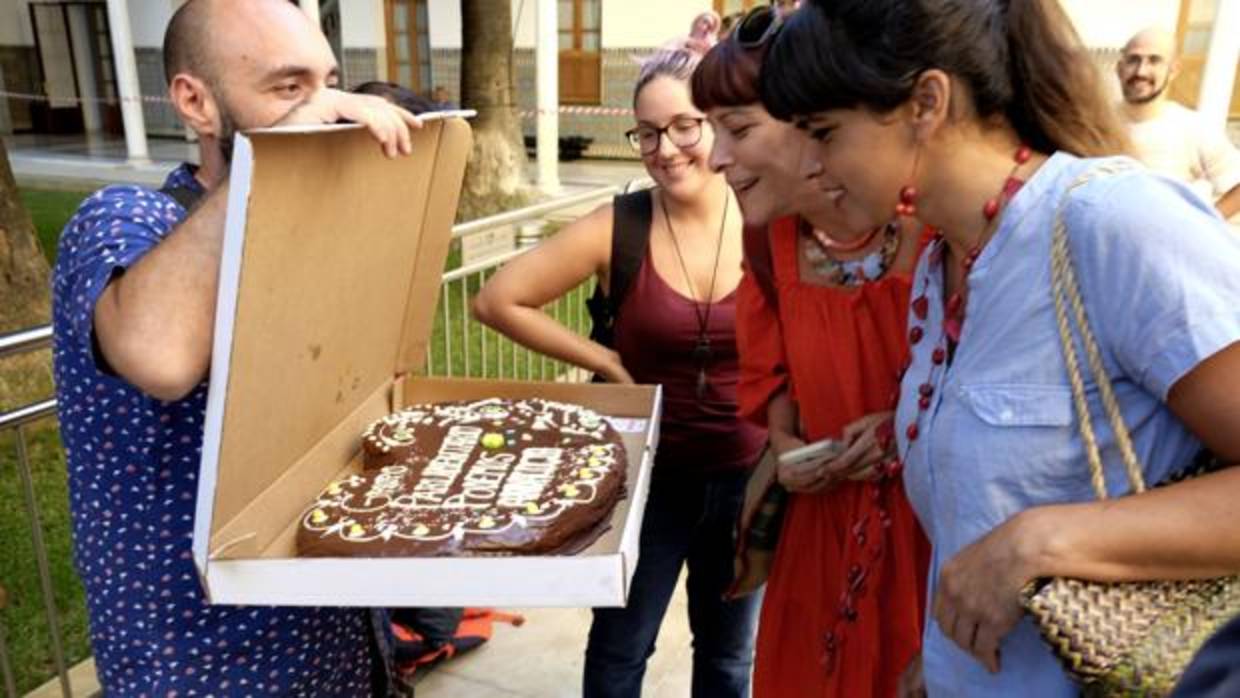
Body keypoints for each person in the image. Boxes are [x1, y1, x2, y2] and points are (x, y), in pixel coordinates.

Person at [760, 1, 1240, 696]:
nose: (808, 164)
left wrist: (1038, 542)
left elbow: (1019, 531)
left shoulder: (1110, 224)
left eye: (823, 133)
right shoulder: (942, 264)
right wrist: (945, 657)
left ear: (926, 101)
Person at [50, 0, 421, 694]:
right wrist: (274, 156)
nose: (330, 107)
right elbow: (159, 358)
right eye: (289, 88)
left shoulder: (307, 243)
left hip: (335, 641)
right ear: (196, 102)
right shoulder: (126, 221)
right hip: (201, 663)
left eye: (329, 82)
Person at [471, 33, 764, 698]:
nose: (665, 149)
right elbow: (497, 300)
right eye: (647, 133)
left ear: (718, 123)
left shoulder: (764, 216)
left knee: (729, 657)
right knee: (619, 653)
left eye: (684, 126)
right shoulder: (620, 225)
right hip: (647, 482)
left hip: (748, 479)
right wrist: (603, 356)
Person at [693, 6, 930, 696]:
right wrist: (787, 445)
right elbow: (774, 382)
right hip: (819, 535)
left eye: (736, 129)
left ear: (814, 122)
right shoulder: (768, 241)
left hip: (928, 534)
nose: (714, 158)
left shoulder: (939, 230)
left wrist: (902, 431)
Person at [1116, 27, 1240, 219]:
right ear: (1119, 68)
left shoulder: (1192, 128)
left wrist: (1205, 226)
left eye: (1154, 61)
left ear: (1173, 71)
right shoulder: (1095, 122)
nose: (1141, 71)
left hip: (1159, 247)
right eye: (1133, 60)